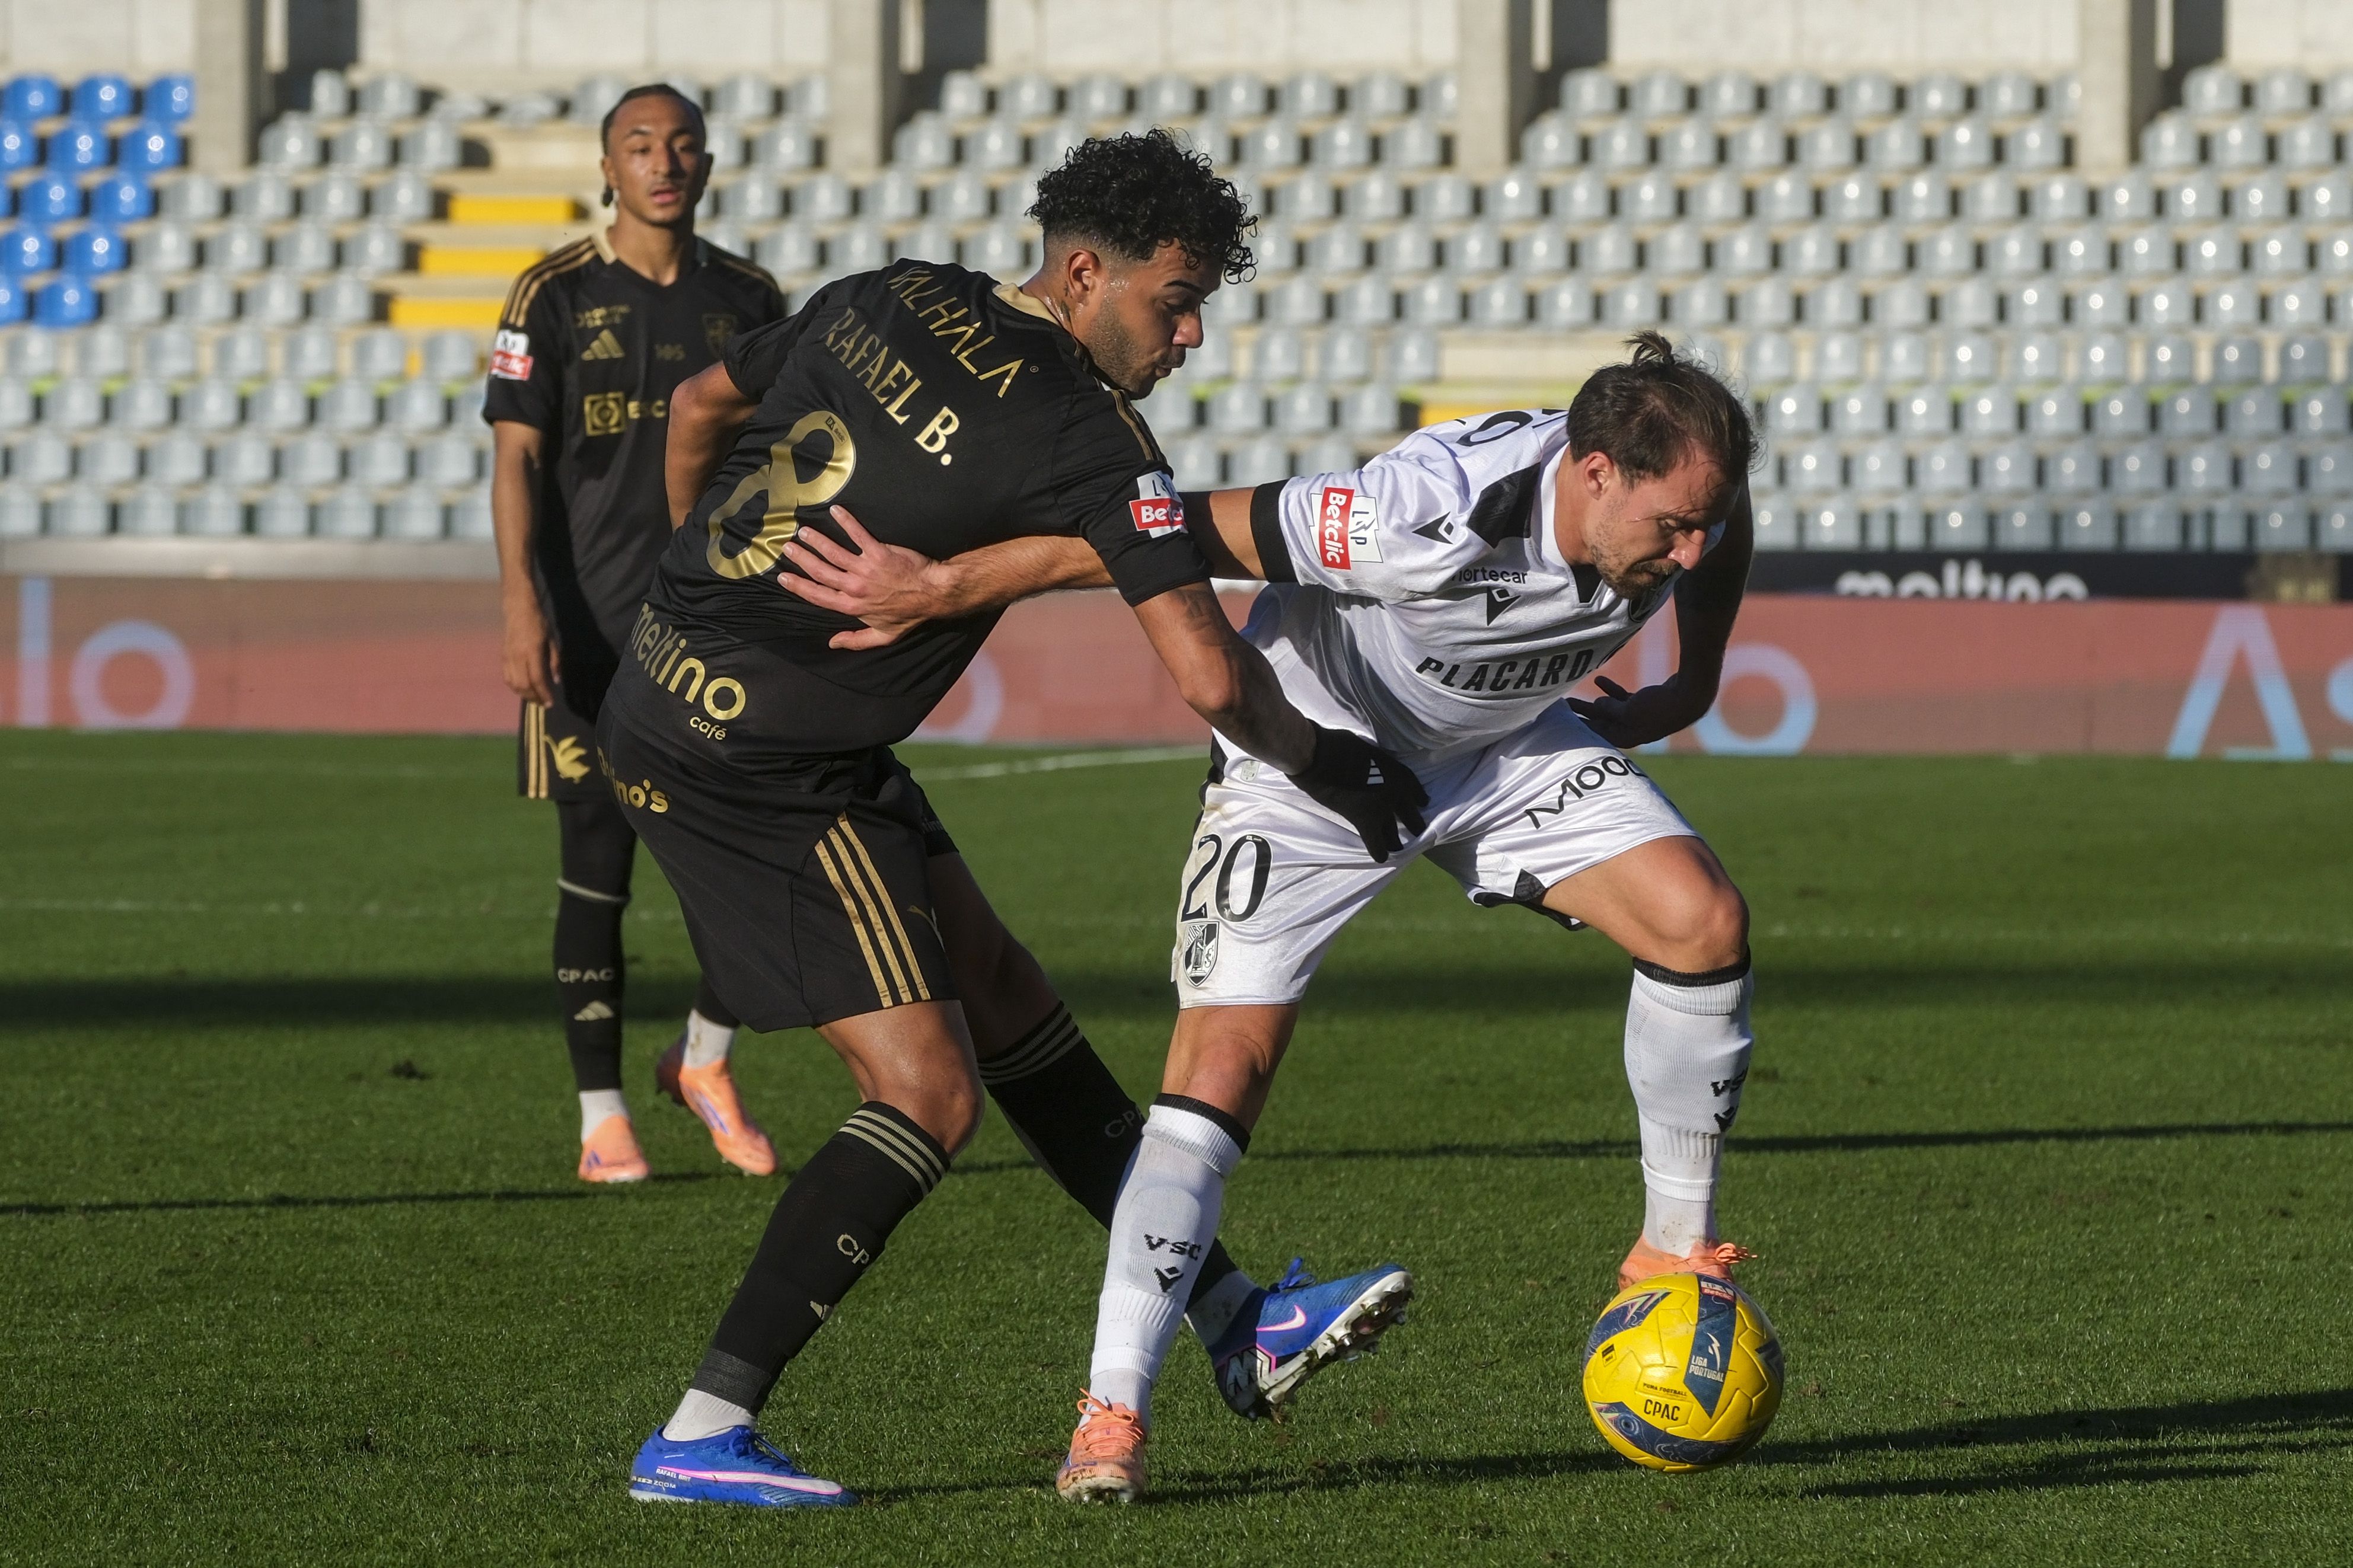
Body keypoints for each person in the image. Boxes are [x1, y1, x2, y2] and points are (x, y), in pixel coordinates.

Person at [780, 333, 1764, 1502]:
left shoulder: (1679, 498)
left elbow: (1720, 528)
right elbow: (1160, 531)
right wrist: (943, 586)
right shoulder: (1416, 512)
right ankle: (1110, 1416)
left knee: (1701, 923)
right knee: (1219, 1074)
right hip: (1315, 758)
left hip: (1502, 748)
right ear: (1593, 471)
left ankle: (1668, 1255)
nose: (1690, 549)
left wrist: (1694, 679)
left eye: (1706, 521)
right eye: (1672, 526)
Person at [604, 131, 1429, 1508]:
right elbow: (1213, 675)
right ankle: (699, 1429)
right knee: (926, 1096)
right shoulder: (1090, 439)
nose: (1191, 333)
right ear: (1086, 271)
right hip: (768, 763)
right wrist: (1340, 769)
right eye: (1175, 300)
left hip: (681, 687)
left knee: (1002, 993)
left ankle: (1233, 1319)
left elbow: (694, 407)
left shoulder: (892, 290)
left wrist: (693, 590)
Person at [486, 85, 790, 1184]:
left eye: (683, 144)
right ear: (606, 166)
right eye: (639, 145)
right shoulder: (552, 293)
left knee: (757, 867)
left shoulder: (751, 296)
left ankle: (704, 1059)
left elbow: (782, 463)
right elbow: (516, 457)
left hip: (712, 629)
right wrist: (523, 604)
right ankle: (601, 1114)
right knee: (597, 872)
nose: (664, 162)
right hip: (587, 634)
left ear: (708, 163)